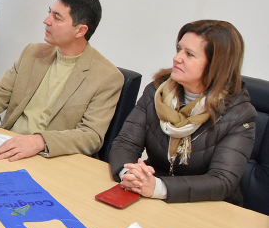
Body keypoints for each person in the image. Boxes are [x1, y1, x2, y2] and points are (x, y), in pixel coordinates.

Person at [0, 0, 123, 161]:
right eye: (50, 13)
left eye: (57, 17)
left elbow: (91, 136)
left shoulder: (107, 77)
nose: (46, 21)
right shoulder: (33, 52)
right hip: (6, 147)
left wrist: (40, 141)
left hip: (49, 157)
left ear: (80, 31)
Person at [109, 20, 256, 203]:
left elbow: (222, 181)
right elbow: (126, 143)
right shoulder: (157, 91)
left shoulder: (239, 114)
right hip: (150, 195)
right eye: (179, 49)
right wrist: (129, 174)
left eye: (189, 54)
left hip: (205, 206)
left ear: (215, 65)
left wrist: (159, 188)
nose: (177, 58)